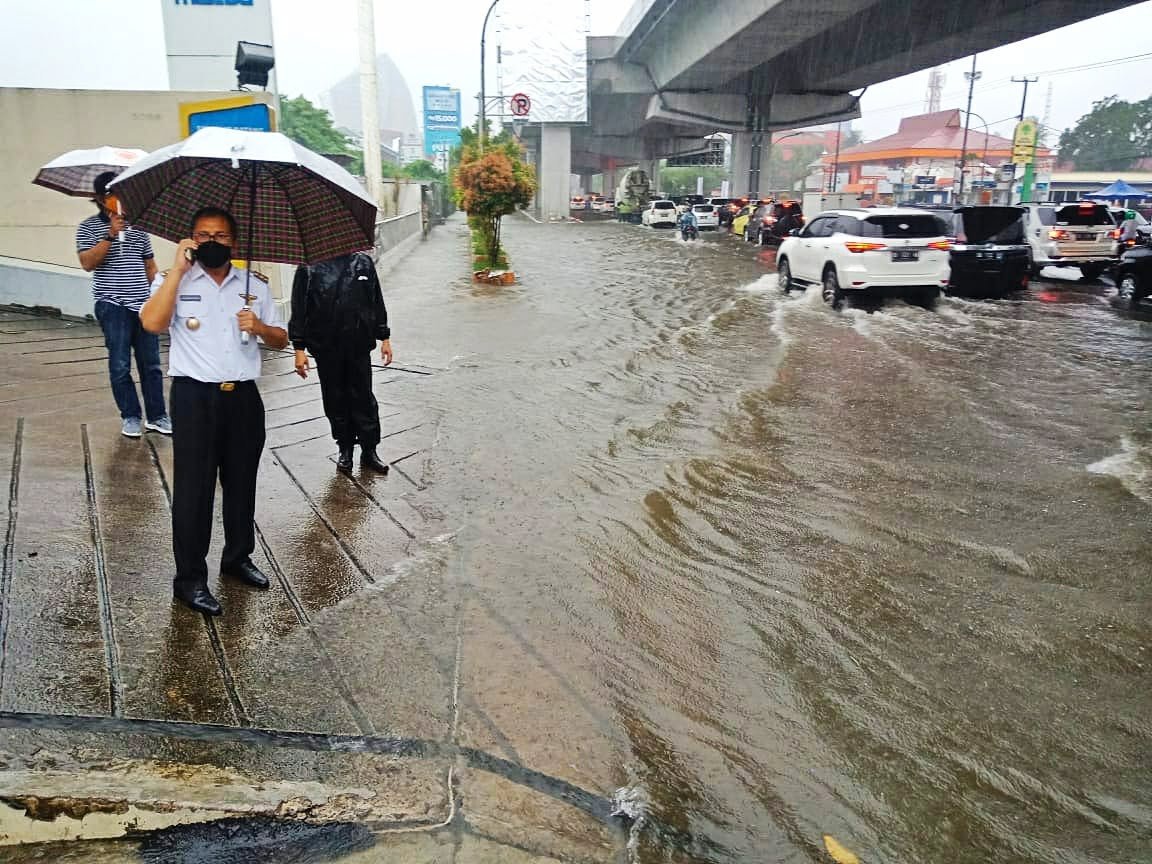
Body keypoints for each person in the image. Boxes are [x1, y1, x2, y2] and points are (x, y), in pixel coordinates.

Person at [139, 207, 288, 617]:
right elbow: (151, 323)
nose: (211, 242)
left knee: (241, 484)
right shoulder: (174, 280)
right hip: (194, 399)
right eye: (203, 235)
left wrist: (259, 327)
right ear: (191, 240)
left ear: (234, 242)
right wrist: (176, 270)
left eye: (220, 236)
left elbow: (280, 339)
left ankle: (237, 558)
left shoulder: (254, 285)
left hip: (243, 399)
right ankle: (189, 579)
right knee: (194, 491)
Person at [76, 172, 171, 438]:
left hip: (142, 304)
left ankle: (157, 416)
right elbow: (87, 263)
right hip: (112, 304)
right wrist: (109, 235)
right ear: (99, 198)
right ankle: (130, 415)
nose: (118, 199)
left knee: (151, 364)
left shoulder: (139, 227)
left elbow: (149, 266)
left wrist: (159, 297)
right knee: (119, 364)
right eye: (111, 194)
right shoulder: (87, 227)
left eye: (122, 192)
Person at [289, 251, 393, 475]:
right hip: (326, 346)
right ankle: (345, 448)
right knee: (335, 399)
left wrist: (384, 336)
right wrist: (299, 348)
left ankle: (369, 450)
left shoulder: (363, 262)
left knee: (364, 398)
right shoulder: (308, 267)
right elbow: (299, 308)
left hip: (358, 345)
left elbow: (375, 300)